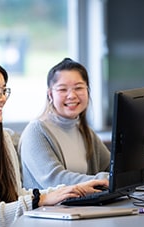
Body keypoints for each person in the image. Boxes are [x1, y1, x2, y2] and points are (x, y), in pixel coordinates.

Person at [0, 59, 108, 226]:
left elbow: (16, 195)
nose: (3, 98)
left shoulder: (2, 140)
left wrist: (72, 190)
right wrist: (40, 200)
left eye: (4, 90)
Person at [18, 57, 111, 190]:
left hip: (81, 207)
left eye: (78, 88)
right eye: (62, 89)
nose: (72, 95)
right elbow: (55, 180)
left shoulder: (85, 131)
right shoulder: (36, 131)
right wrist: (103, 179)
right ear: (50, 94)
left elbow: (112, 168)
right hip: (50, 210)